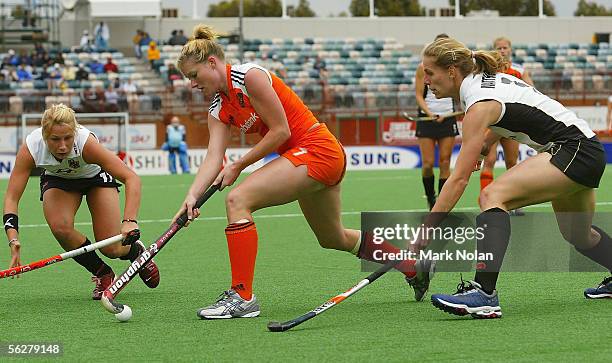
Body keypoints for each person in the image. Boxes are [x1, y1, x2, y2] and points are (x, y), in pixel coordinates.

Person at [175, 24, 434, 319]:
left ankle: (242, 296)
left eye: (193, 76)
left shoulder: (249, 77)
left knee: (238, 199)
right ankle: (413, 264)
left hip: (317, 149)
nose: (192, 84)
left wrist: (239, 165)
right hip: (306, 159)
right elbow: (213, 156)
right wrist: (191, 197)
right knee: (333, 238)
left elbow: (280, 130)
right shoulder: (219, 107)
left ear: (211, 62)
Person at [414, 37, 611, 319]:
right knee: (577, 233)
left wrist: (427, 230)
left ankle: (484, 294)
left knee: (492, 196)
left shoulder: (477, 103)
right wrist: (482, 147)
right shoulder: (487, 81)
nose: (427, 81)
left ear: (452, 71)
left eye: (430, 73)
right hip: (586, 149)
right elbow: (518, 110)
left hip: (571, 150)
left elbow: (458, 180)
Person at [3, 104, 160, 299]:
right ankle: (103, 273)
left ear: (74, 133)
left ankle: (136, 252)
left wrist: (129, 220)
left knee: (110, 248)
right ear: (44, 136)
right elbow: (11, 197)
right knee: (60, 227)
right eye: (55, 139)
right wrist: (13, 238)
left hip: (95, 178)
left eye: (67, 138)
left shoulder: (86, 143)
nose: (62, 146)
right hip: (59, 179)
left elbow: (132, 178)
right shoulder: (31, 148)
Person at [479, 36, 535, 216]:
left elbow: (531, 91)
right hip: (493, 122)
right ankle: (487, 203)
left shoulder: (519, 70)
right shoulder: (489, 71)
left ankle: (515, 202)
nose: (502, 51)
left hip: (512, 123)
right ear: (494, 50)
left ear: (510, 50)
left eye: (505, 48)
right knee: (489, 160)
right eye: (498, 48)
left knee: (512, 162)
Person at [414, 33, 460, 210]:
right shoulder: (422, 67)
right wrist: (430, 113)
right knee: (427, 164)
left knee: (445, 162)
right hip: (427, 119)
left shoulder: (453, 68)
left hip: (447, 118)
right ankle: (431, 198)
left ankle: (442, 204)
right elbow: (419, 94)